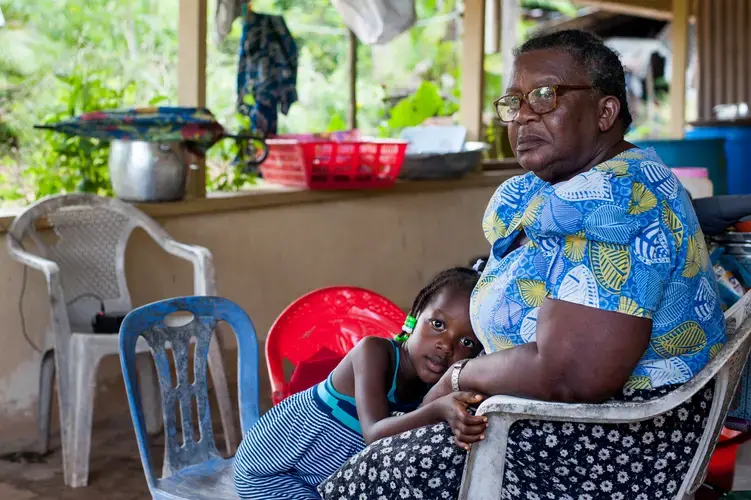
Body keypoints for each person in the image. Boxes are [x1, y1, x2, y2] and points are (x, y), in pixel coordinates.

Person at [320, 30, 726, 499]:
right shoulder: (573, 189)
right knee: (370, 452)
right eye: (514, 101)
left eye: (545, 95)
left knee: (370, 478)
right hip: (562, 425)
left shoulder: (620, 203)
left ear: (605, 112)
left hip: (612, 446)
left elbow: (572, 375)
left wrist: (460, 376)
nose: (524, 114)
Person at [233, 267, 485, 499]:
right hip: (270, 471)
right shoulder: (374, 352)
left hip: (317, 480)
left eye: (467, 342)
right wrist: (438, 409)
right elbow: (374, 434)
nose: (447, 346)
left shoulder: (432, 384)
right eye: (438, 324)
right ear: (416, 315)